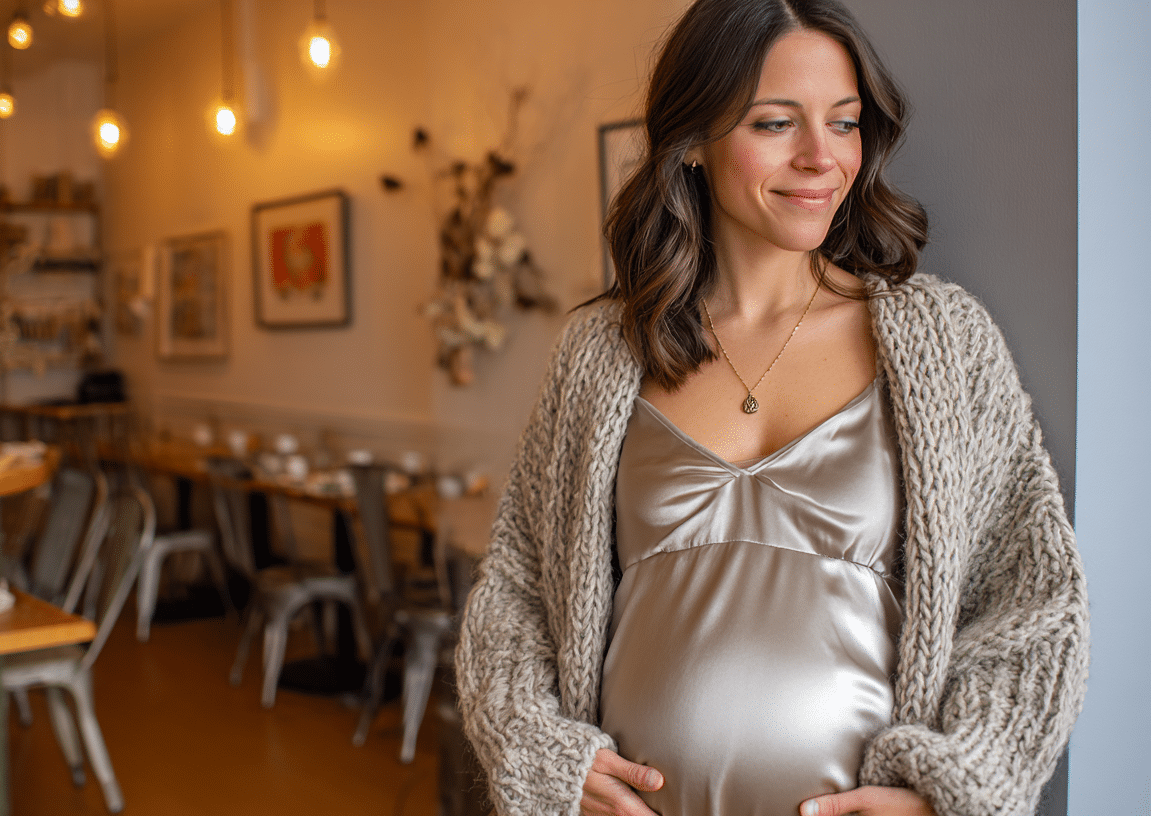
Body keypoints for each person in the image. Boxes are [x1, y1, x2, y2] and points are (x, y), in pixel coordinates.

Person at [453, 0, 1090, 815]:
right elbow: (515, 592)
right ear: (691, 143)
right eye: (776, 123)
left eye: (846, 122)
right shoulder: (601, 354)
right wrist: (546, 761)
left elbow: (1034, 600)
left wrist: (949, 793)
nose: (822, 158)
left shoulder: (944, 342)